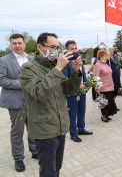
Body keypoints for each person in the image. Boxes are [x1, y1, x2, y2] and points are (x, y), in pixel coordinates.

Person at [20, 32, 82, 177]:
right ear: (40, 47)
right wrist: (58, 69)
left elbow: (69, 90)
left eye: (57, 47)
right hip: (44, 128)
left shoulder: (52, 67)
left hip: (59, 126)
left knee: (57, 167)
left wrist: (75, 71)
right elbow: (38, 92)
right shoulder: (28, 68)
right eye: (52, 47)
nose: (56, 51)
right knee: (48, 171)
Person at [0, 34, 37, 172]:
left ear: (24, 44)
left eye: (19, 43)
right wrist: (22, 83)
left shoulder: (32, 58)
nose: (17, 45)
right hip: (15, 102)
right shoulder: (3, 60)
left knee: (33, 127)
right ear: (10, 45)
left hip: (33, 100)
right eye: (14, 43)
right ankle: (18, 159)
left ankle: (34, 150)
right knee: (17, 131)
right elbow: (1, 80)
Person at [62, 40, 93, 143]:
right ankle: (73, 134)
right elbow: (65, 78)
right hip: (72, 93)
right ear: (67, 50)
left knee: (81, 111)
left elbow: (83, 73)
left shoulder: (79, 60)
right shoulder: (66, 63)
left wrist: (88, 83)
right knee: (72, 114)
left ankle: (81, 129)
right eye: (72, 49)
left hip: (82, 91)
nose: (75, 50)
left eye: (75, 48)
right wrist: (78, 85)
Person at [93, 49, 117, 122]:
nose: (107, 56)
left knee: (109, 102)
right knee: (103, 102)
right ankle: (103, 116)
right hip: (103, 87)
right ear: (101, 56)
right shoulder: (97, 65)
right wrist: (97, 87)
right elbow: (96, 77)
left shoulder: (106, 63)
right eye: (105, 55)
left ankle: (107, 115)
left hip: (109, 86)